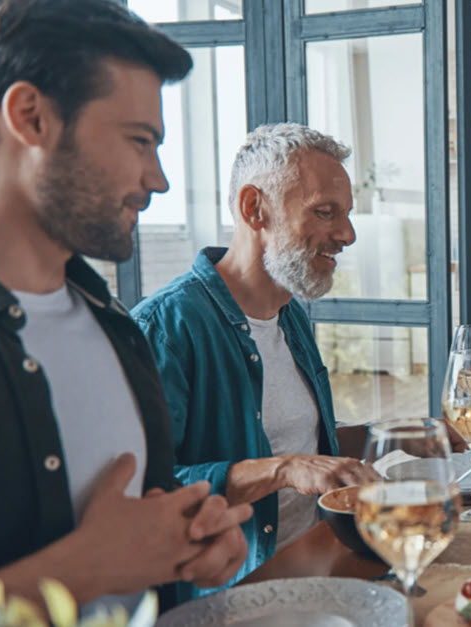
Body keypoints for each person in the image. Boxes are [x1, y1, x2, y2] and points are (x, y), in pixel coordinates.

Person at [0, 0, 250, 613]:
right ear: (31, 117)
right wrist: (82, 570)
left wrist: (194, 537)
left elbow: (138, 524)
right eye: (140, 141)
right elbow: (104, 556)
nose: (159, 178)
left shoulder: (114, 323)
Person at [131, 123, 381, 602]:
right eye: (325, 212)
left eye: (347, 215)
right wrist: (282, 470)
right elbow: (149, 493)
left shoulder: (291, 315)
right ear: (254, 208)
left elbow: (308, 446)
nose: (346, 235)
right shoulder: (165, 328)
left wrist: (413, 433)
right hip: (238, 597)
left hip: (319, 563)